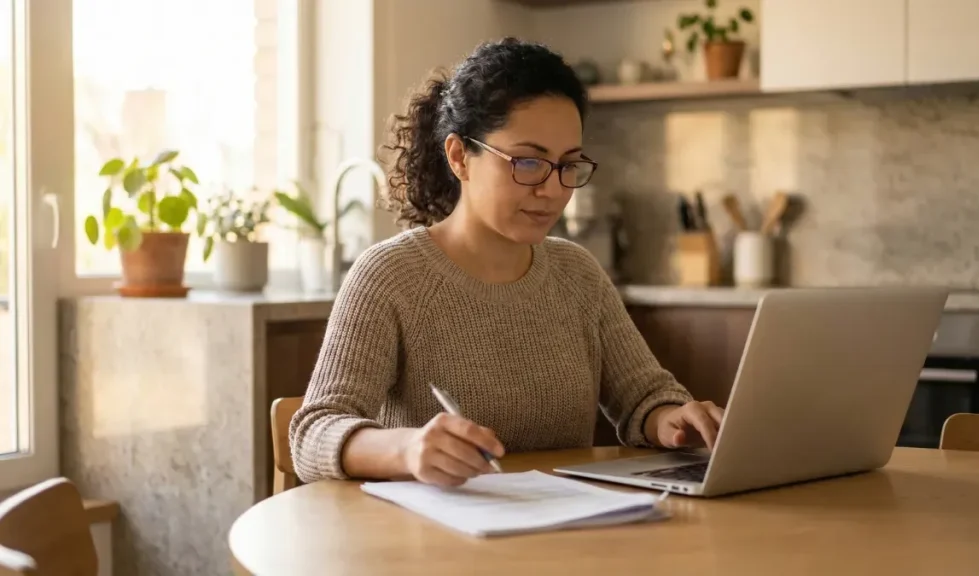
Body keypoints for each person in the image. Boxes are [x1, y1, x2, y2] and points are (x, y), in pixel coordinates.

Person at [289, 37, 724, 488]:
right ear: (459, 156)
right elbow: (313, 432)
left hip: (566, 533)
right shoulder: (390, 276)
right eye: (529, 162)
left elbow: (645, 398)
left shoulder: (578, 273)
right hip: (432, 543)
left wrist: (675, 419)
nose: (554, 190)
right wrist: (408, 448)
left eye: (568, 165)